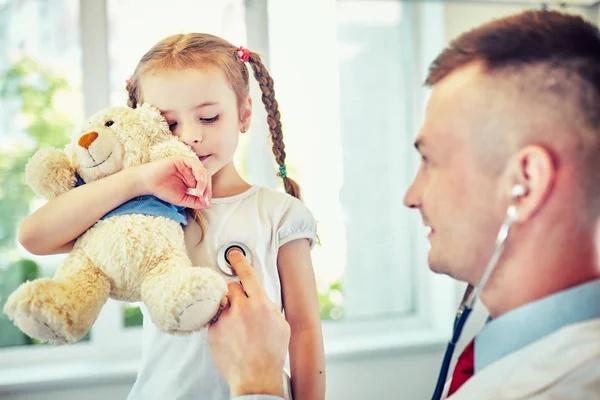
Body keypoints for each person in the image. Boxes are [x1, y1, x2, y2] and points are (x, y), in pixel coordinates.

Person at [208, 9, 600, 400]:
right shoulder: (504, 356)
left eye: (430, 160)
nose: (411, 196)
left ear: (524, 183)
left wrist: (257, 386)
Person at [17, 33, 325, 400]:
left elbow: (304, 329)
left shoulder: (279, 213)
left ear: (244, 113)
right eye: (170, 123)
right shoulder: (140, 206)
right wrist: (138, 179)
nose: (191, 136)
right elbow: (34, 236)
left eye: (209, 117)